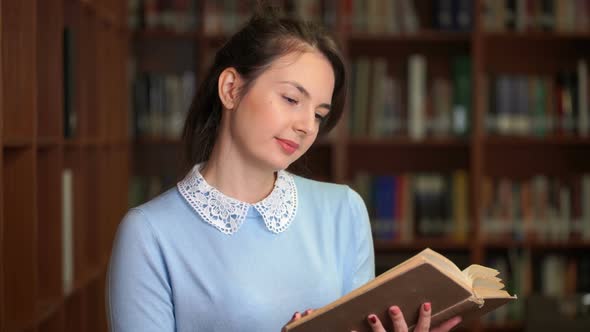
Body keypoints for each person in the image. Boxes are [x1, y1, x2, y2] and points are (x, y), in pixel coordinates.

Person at [107, 5, 462, 332]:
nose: (307, 125)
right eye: (292, 99)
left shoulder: (344, 210)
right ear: (231, 89)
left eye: (320, 115)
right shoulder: (149, 234)